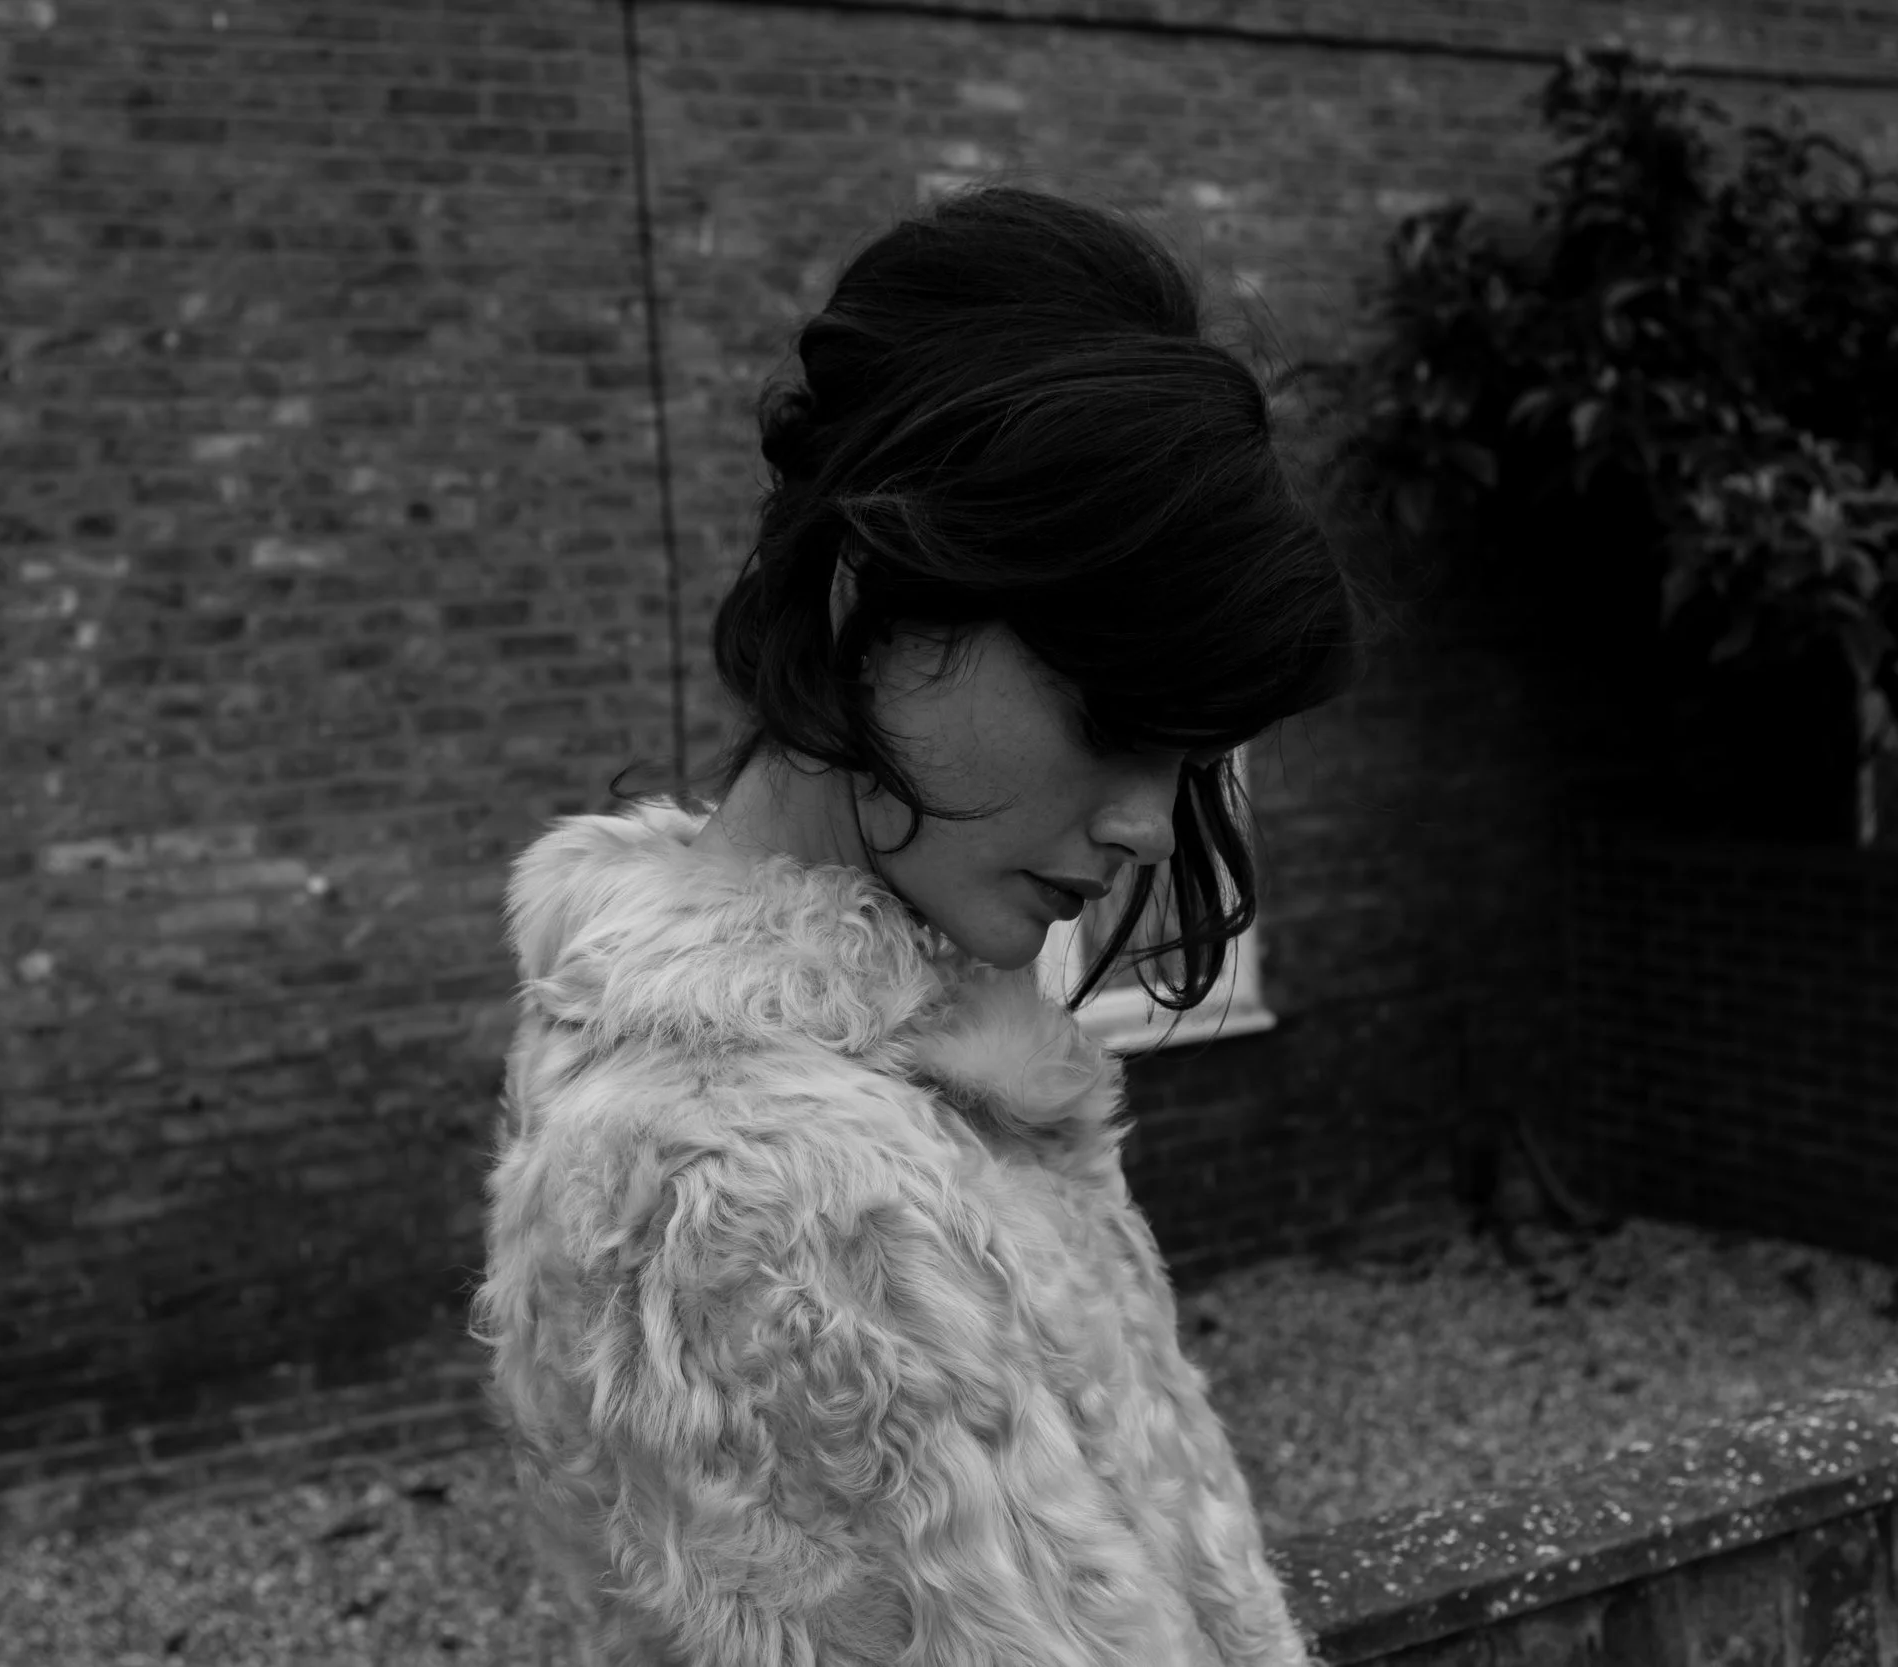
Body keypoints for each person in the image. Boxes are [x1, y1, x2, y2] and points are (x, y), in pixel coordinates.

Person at [470, 184, 1371, 1667]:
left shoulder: (915, 1063)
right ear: (869, 594)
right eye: (1116, 718)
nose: (1151, 823)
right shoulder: (754, 1182)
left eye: (1191, 758)